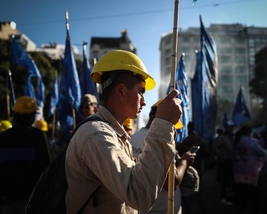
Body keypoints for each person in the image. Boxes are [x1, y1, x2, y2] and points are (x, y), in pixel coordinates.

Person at [65, 50, 182, 214]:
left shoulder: (114, 134)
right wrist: (163, 124)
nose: (144, 101)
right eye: (141, 91)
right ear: (120, 90)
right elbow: (140, 194)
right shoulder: (96, 135)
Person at [0, 96, 51, 214]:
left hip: (5, 198)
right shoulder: (38, 136)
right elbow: (46, 167)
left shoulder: (0, 139)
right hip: (30, 198)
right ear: (31, 116)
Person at [130, 100, 194, 214]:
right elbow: (171, 182)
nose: (174, 129)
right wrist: (184, 162)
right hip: (162, 209)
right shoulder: (163, 141)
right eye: (173, 124)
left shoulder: (134, 137)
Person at [232, 125, 267, 214]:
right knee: (253, 190)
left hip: (238, 169)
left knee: (242, 190)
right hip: (251, 170)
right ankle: (255, 208)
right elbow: (262, 152)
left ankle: (242, 208)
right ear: (249, 133)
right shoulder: (252, 142)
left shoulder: (236, 141)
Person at [211, 121, 235, 205]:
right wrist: (220, 155)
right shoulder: (222, 137)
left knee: (231, 180)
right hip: (224, 161)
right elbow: (214, 146)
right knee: (224, 180)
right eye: (229, 127)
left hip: (232, 161)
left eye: (232, 127)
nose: (231, 128)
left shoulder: (233, 137)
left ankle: (230, 197)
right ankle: (223, 197)